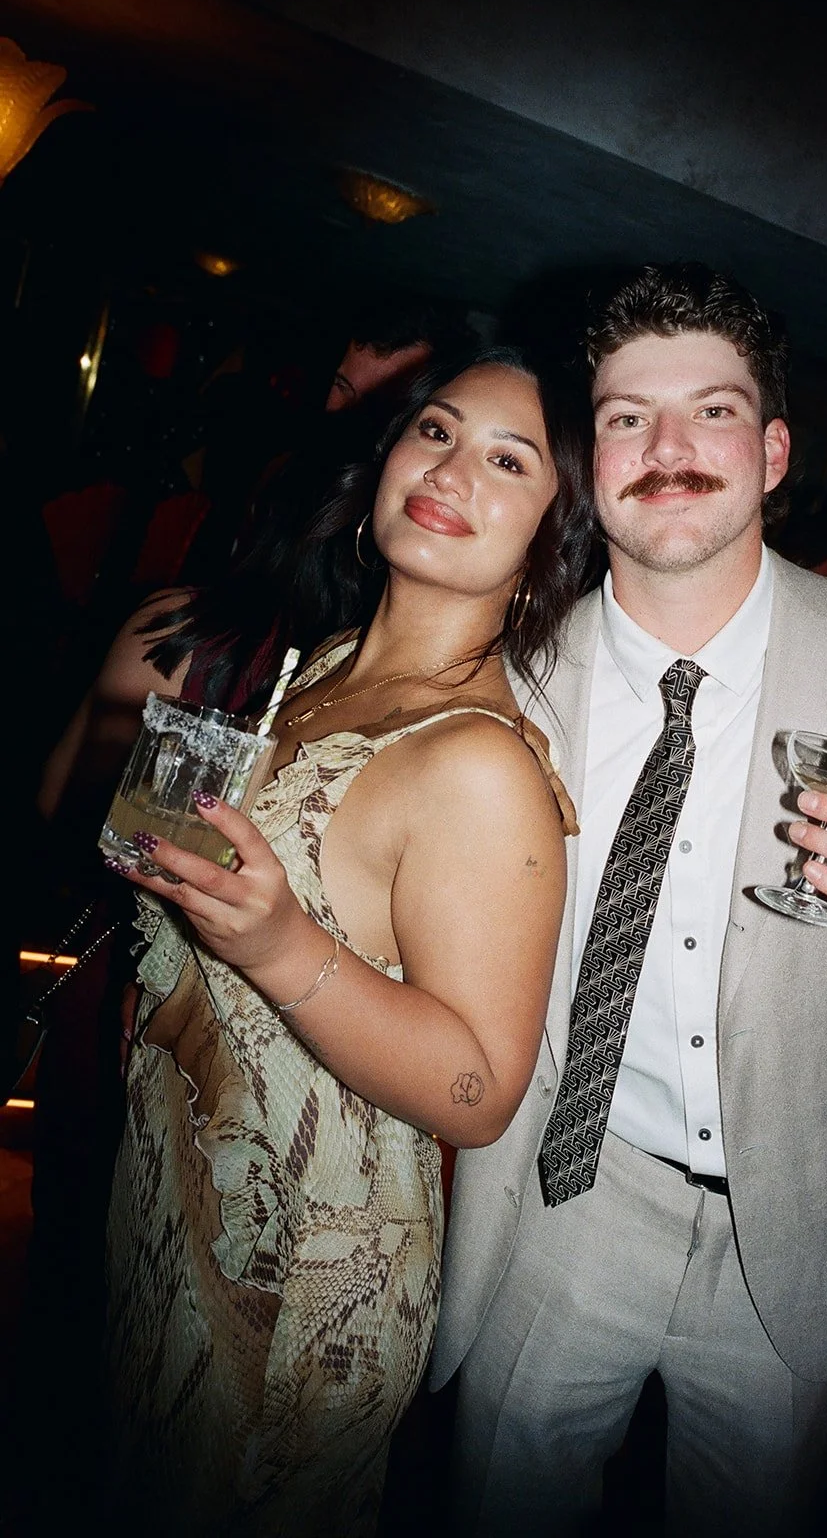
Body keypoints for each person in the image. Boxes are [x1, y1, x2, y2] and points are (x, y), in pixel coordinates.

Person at [429, 264, 827, 1537]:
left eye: (710, 412)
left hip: (806, 1228)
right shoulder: (498, 668)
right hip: (564, 1201)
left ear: (771, 451)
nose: (665, 449)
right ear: (586, 456)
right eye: (624, 417)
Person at [97, 344, 596, 1537]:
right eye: (434, 430)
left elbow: (477, 1088)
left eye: (507, 459)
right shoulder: (321, 666)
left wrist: (276, 946)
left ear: (552, 537)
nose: (450, 467)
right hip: (174, 1199)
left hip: (300, 1274)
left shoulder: (477, 763)